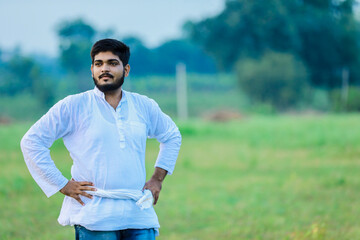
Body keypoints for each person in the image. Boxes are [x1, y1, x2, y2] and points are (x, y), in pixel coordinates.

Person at [20, 38, 182, 240]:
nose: (104, 69)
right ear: (92, 70)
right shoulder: (74, 105)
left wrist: (157, 179)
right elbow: (32, 141)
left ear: (126, 69)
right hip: (94, 216)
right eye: (99, 64)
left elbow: (172, 135)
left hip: (138, 214)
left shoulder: (144, 105)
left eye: (112, 63)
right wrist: (61, 184)